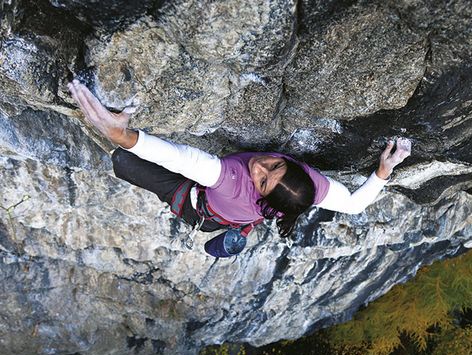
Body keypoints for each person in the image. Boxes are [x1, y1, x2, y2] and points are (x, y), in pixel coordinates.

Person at [67, 79, 412, 257]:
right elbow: (354, 204)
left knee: (122, 160)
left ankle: (221, 239)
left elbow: (183, 159)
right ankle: (238, 233)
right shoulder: (314, 187)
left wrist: (125, 136)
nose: (260, 166)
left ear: (260, 194)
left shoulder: (232, 181)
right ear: (300, 169)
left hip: (197, 205)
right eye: (275, 165)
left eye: (262, 181)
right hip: (235, 210)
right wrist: (383, 170)